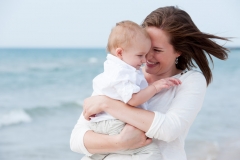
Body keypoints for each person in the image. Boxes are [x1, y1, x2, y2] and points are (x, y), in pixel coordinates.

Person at [70, 6, 229, 160]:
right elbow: (76, 140)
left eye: (157, 50)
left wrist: (106, 104)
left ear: (179, 51)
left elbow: (169, 129)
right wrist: (119, 143)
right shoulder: (124, 74)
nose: (147, 57)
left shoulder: (190, 81)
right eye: (144, 49)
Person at [87, 20, 181, 160]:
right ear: (120, 52)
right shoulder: (122, 72)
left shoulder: (117, 67)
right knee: (150, 153)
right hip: (113, 123)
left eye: (153, 51)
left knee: (103, 153)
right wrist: (154, 87)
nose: (145, 59)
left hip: (104, 122)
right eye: (140, 55)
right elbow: (133, 99)